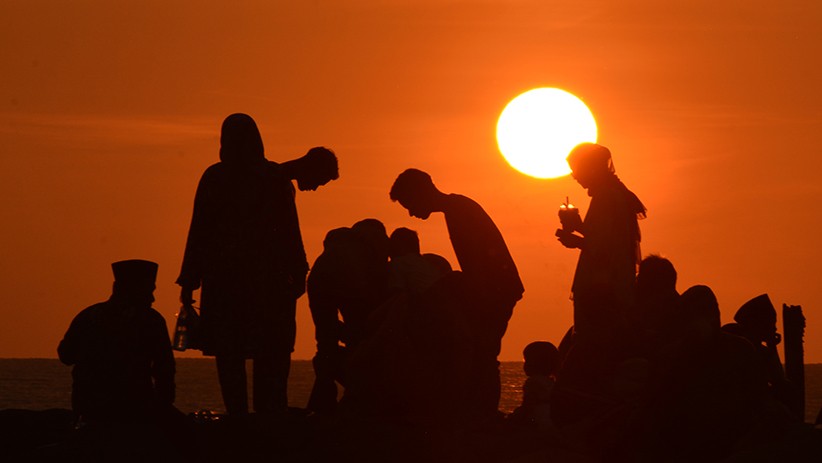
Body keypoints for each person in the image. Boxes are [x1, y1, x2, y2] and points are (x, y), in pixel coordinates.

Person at [176, 113, 338, 416]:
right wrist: (298, 275)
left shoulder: (216, 177)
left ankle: (239, 416)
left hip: (227, 282)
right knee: (269, 354)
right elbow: (291, 236)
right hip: (267, 284)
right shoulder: (271, 179)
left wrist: (189, 281)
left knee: (231, 354)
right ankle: (267, 415)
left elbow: (198, 232)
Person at [390, 168, 524, 421]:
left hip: (496, 292)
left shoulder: (460, 211)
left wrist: (478, 297)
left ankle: (482, 416)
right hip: (496, 290)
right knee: (482, 352)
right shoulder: (457, 209)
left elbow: (480, 262)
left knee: (484, 353)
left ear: (420, 192)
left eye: (410, 204)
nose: (411, 213)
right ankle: (480, 414)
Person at [58, 260, 176, 425]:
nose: (152, 298)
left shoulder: (88, 315)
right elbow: (165, 369)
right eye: (148, 290)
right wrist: (163, 406)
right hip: (135, 408)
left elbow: (65, 355)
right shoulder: (150, 319)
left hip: (88, 407)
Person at [555, 143, 646, 342]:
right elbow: (603, 237)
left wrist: (576, 238)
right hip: (612, 278)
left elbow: (604, 246)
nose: (575, 176)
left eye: (577, 169)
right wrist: (579, 230)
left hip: (603, 283)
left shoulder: (607, 196)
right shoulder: (615, 193)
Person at [508, 341, 559, 431]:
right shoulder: (552, 383)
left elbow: (528, 405)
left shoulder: (533, 382)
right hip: (550, 420)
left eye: (526, 361)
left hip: (537, 420)